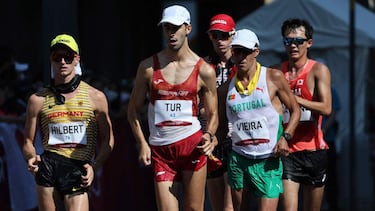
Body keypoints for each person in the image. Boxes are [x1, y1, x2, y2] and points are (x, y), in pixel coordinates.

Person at [127, 5, 218, 211]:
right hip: (161, 149)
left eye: (176, 27)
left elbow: (213, 114)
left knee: (194, 208)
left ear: (188, 28)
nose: (171, 33)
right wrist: (142, 143)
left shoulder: (204, 70)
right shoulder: (148, 68)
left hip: (192, 144)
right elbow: (132, 111)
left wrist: (210, 135)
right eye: (167, 27)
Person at [22, 34, 115, 211]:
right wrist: (30, 157)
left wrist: (95, 166)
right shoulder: (37, 100)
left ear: (77, 59)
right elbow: (27, 141)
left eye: (68, 57)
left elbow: (109, 140)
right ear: (51, 59)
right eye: (57, 57)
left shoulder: (96, 97)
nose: (63, 62)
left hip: (77, 166)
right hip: (48, 165)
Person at [216, 29, 301, 211]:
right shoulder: (224, 90)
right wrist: (213, 140)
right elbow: (221, 126)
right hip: (239, 158)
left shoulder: (273, 77)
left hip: (268, 160)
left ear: (256, 51)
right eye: (237, 51)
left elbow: (295, 110)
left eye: (245, 52)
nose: (241, 57)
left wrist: (286, 137)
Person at [273, 18, 332, 211]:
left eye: (298, 41)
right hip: (288, 151)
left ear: (309, 43)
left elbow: (326, 108)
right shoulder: (276, 73)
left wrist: (295, 100)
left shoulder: (318, 70)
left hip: (314, 150)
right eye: (288, 41)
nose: (293, 46)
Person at [200, 13, 236, 211]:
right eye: (215, 36)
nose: (220, 41)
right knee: (216, 204)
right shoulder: (203, 65)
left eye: (224, 36)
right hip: (210, 139)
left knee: (230, 206)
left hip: (234, 138)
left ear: (233, 35)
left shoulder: (242, 64)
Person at [322, 85, 341, 211]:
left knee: (330, 177)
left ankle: (332, 206)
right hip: (310, 143)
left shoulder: (330, 90)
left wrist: (322, 131)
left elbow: (333, 112)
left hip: (327, 141)